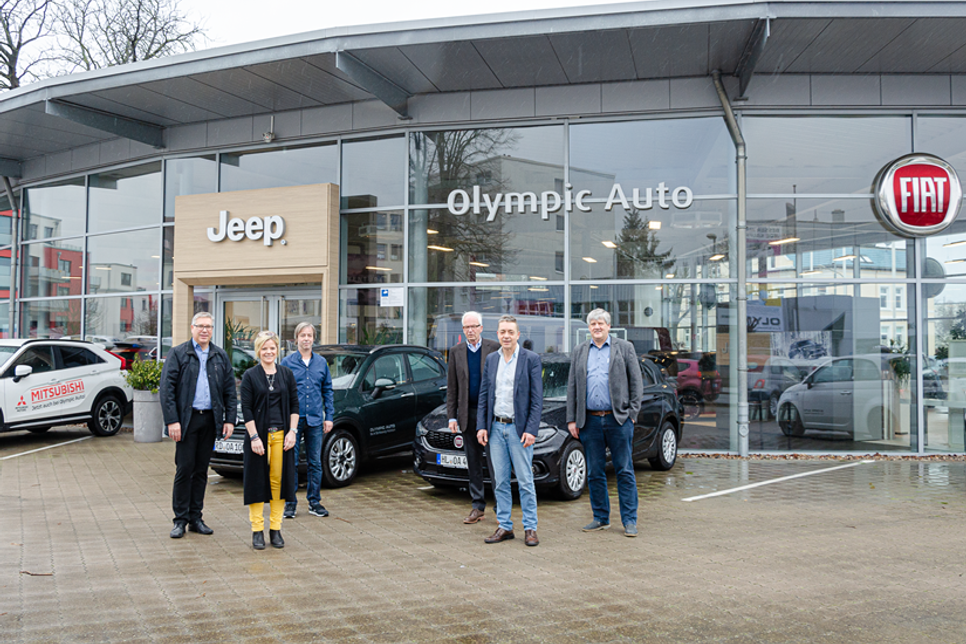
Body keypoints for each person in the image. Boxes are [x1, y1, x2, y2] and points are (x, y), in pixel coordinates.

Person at [566, 308, 643, 537]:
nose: (597, 327)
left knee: (624, 470)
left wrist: (632, 414)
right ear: (588, 328)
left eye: (601, 323)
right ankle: (600, 517)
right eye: (593, 324)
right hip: (589, 421)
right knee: (594, 472)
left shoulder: (624, 348)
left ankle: (629, 520)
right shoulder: (580, 350)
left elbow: (636, 383)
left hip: (618, 419)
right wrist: (571, 418)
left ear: (609, 326)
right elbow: (572, 387)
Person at [161, 311, 237, 539]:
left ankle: (196, 518)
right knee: (185, 469)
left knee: (201, 470)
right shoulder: (178, 353)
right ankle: (180, 520)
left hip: (209, 420)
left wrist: (229, 420)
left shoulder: (220, 355)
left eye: (208, 326)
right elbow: (167, 390)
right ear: (192, 328)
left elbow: (229, 390)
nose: (205, 330)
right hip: (187, 420)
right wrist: (172, 420)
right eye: (201, 326)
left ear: (212, 330)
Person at [476, 315, 543, 547]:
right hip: (495, 428)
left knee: (525, 481)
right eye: (502, 332)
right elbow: (484, 395)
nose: (506, 336)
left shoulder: (531, 359)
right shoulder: (492, 359)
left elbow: (537, 399)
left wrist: (531, 429)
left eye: (510, 332)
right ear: (497, 334)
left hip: (519, 430)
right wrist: (482, 426)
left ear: (518, 335)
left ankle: (530, 528)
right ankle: (505, 526)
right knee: (501, 481)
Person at [240, 331, 300, 550]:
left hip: (282, 437)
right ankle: (257, 530)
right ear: (258, 351)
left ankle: (276, 529)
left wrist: (292, 432)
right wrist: (254, 436)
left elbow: (294, 404)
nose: (268, 352)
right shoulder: (250, 375)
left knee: (279, 483)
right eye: (264, 348)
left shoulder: (286, 374)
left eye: (272, 348)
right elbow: (246, 408)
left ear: (277, 350)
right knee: (257, 482)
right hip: (259, 438)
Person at [447, 311, 500, 524]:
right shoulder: (456, 352)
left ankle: (501, 507)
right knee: (473, 462)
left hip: (490, 415)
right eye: (466, 327)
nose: (470, 330)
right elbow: (452, 387)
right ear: (463, 330)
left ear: (481, 328)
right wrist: (452, 417)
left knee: (496, 462)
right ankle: (478, 506)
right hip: (467, 414)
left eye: (474, 326)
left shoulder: (494, 348)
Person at [280, 322, 334, 519]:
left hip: (315, 420)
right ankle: (290, 504)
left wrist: (329, 417)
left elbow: (328, 391)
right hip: (292, 421)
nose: (306, 339)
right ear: (296, 339)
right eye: (302, 335)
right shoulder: (287, 362)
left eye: (309, 335)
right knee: (291, 462)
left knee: (315, 462)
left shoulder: (321, 363)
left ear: (313, 339)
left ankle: (314, 502)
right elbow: (281, 391)